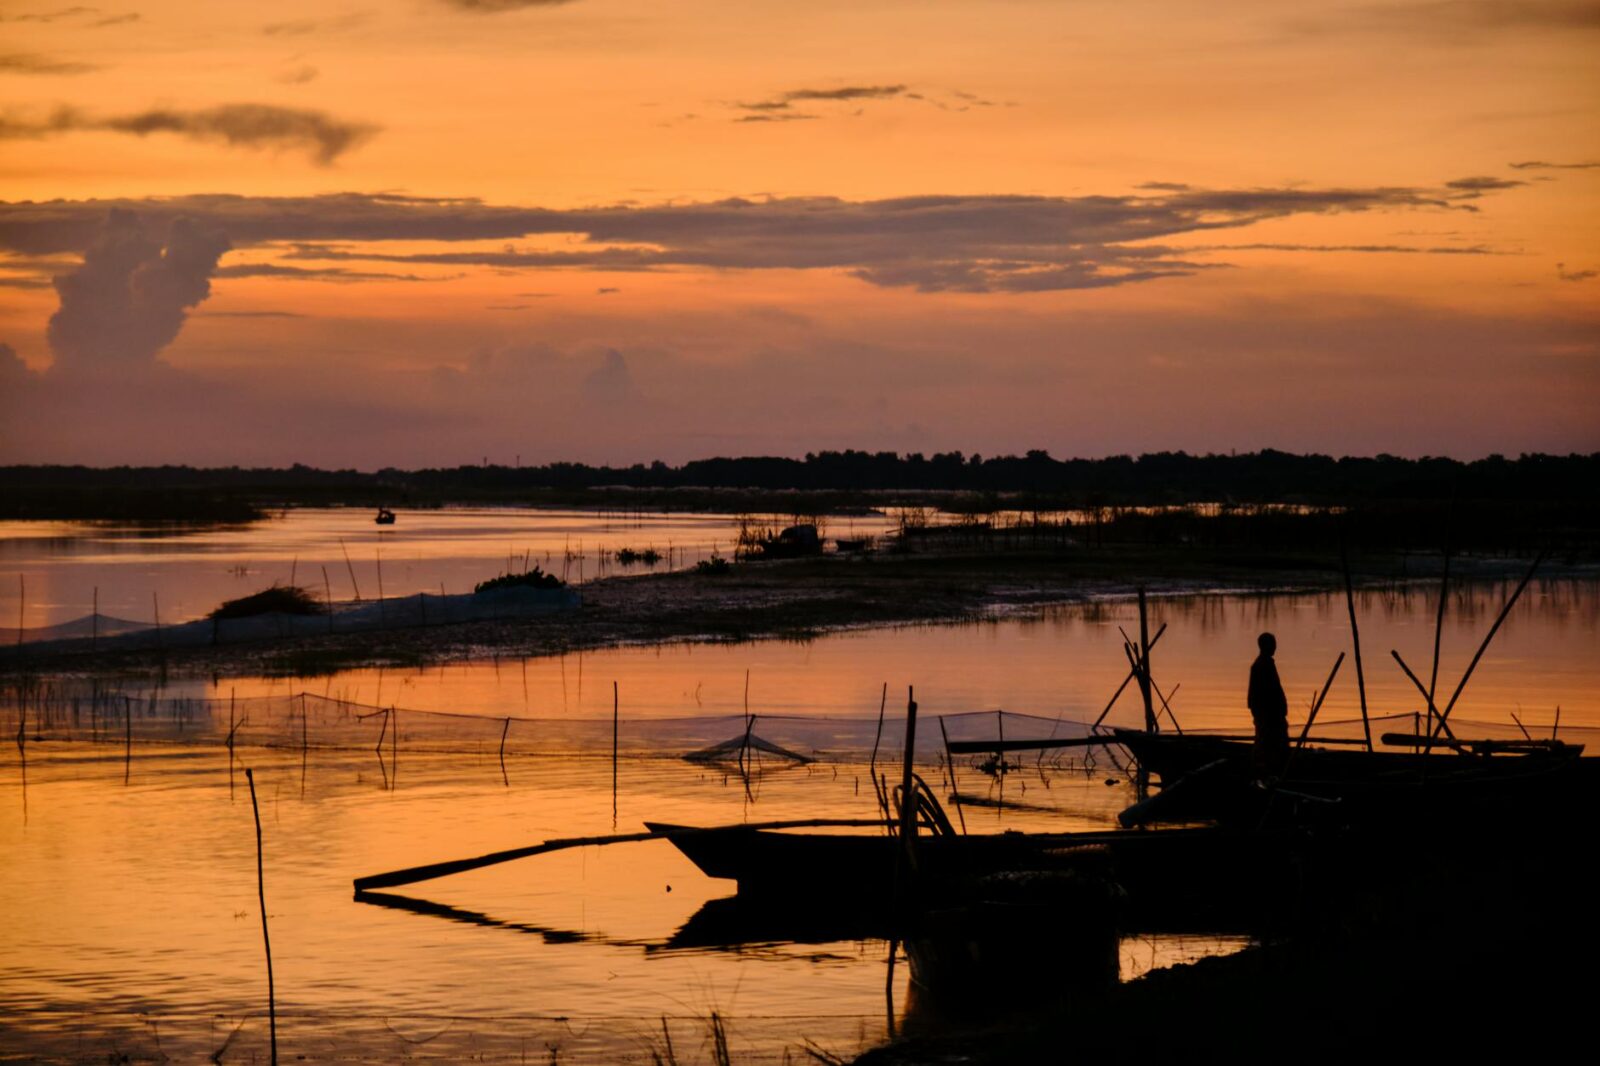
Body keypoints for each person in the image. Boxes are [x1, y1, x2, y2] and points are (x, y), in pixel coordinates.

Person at [1248, 632, 1289, 777]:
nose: (1275, 647)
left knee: (1274, 744)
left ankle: (1272, 769)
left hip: (1273, 715)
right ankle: (1265, 771)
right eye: (1272, 644)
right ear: (1265, 646)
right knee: (1267, 744)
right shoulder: (1260, 666)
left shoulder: (1266, 664)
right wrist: (1262, 716)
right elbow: (1255, 698)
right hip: (1268, 716)